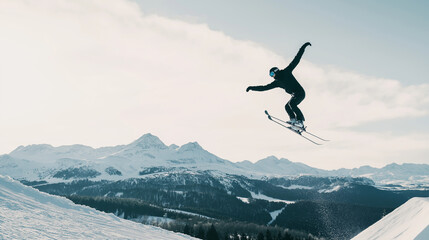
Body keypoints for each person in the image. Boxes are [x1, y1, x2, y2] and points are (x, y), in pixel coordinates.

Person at [246, 42, 311, 128]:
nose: (272, 76)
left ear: (276, 71)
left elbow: (296, 59)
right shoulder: (277, 82)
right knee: (287, 106)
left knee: (292, 104)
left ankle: (300, 121)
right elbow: (264, 88)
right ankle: (293, 121)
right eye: (271, 75)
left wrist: (303, 47)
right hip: (295, 95)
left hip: (300, 93)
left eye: (272, 74)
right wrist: (251, 88)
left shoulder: (286, 72)